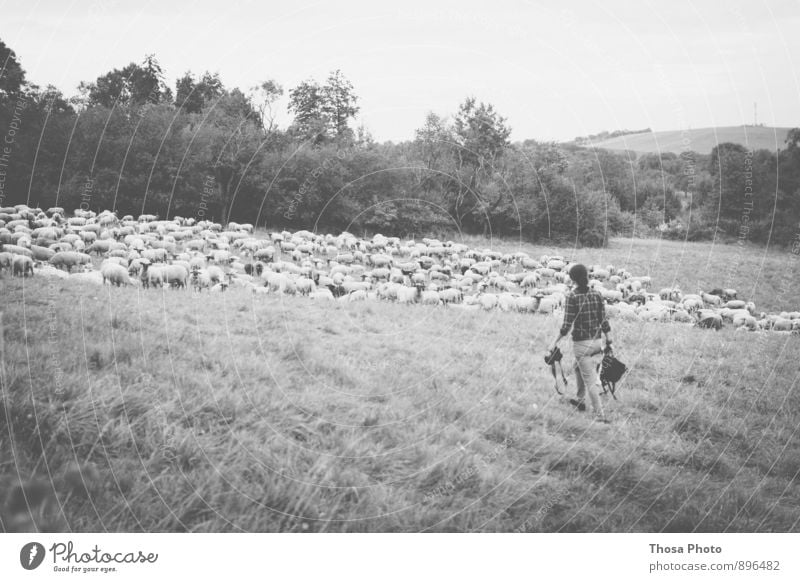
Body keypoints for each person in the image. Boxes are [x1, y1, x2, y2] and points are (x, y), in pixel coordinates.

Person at [547, 263, 612, 423]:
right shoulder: (597, 294)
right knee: (578, 368)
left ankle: (600, 415)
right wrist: (608, 337)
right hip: (597, 342)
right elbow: (603, 319)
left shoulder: (572, 296)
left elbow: (566, 326)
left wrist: (553, 342)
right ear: (587, 276)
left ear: (572, 279)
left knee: (590, 378)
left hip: (582, 344)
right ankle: (580, 400)